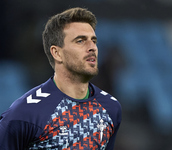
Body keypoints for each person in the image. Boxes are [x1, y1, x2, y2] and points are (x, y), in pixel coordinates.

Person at [0, 7, 122, 150]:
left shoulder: (111, 107)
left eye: (93, 41)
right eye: (80, 41)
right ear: (56, 53)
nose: (91, 48)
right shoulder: (22, 113)